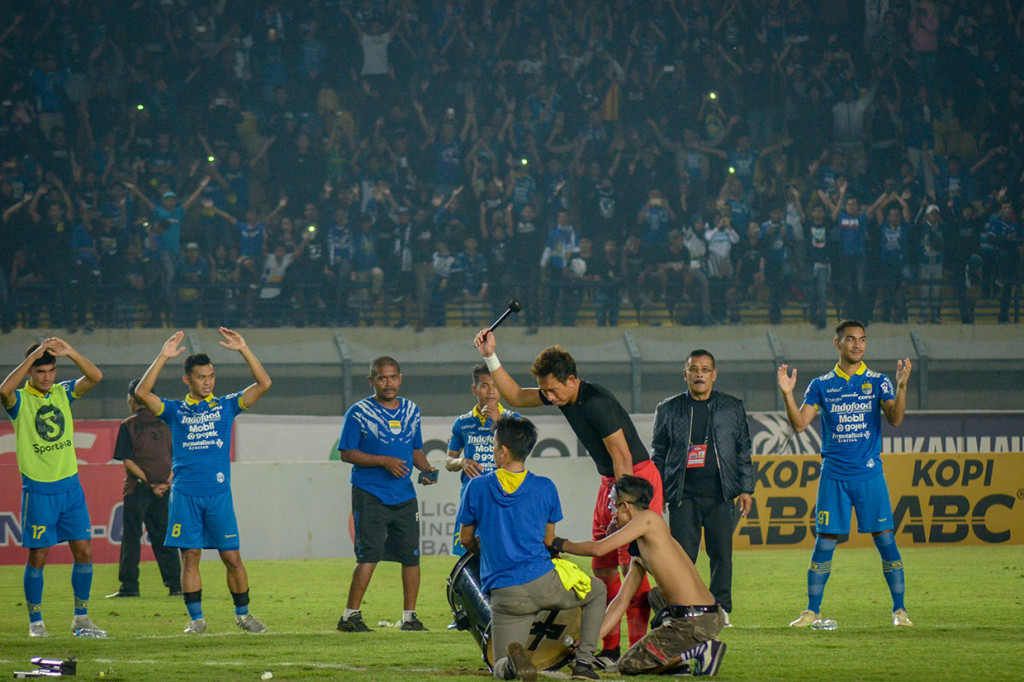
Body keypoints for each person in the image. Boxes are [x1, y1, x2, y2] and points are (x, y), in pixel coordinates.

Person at [473, 331, 664, 660]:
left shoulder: (595, 401)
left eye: (553, 390)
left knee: (632, 565)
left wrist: (623, 506)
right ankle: (610, 650)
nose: (550, 397)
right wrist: (490, 355)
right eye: (545, 391)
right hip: (612, 482)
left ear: (572, 380)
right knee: (603, 568)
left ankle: (638, 648)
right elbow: (516, 396)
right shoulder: (563, 393)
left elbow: (622, 456)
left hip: (634, 480)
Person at [134, 328, 272, 635]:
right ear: (187, 379)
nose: (208, 382)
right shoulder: (174, 410)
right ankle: (197, 620)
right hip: (185, 495)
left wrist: (244, 349)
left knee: (232, 557)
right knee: (190, 557)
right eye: (201, 377)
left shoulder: (226, 405)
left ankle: (243, 615)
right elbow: (142, 393)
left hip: (218, 495)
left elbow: (264, 384)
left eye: (211, 376)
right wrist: (163, 356)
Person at [777, 319, 913, 627]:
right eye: (851, 339)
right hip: (834, 476)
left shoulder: (878, 381)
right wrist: (787, 394)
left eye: (862, 339)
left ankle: (900, 611)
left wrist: (902, 386)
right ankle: (812, 611)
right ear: (838, 344)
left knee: (886, 540)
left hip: (869, 475)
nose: (857, 345)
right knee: (824, 542)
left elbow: (895, 419)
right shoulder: (821, 385)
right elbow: (800, 424)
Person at [457, 415, 606, 681]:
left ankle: (510, 666)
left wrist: (486, 551)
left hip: (506, 593)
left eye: (494, 445)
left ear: (503, 451)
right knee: (597, 591)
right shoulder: (545, 487)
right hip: (544, 583)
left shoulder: (476, 487)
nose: (494, 450)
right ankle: (584, 663)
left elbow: (465, 539)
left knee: (498, 665)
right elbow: (549, 540)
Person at [552, 475, 726, 676]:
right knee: (655, 596)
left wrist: (556, 543)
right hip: (704, 615)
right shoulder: (641, 551)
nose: (612, 513)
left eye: (614, 506)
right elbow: (621, 602)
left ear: (626, 506)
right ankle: (680, 658)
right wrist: (589, 641)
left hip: (695, 621)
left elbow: (598, 549)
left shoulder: (649, 519)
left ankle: (700, 650)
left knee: (627, 665)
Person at [1, 338, 107, 638]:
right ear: (30, 372)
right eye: (40, 371)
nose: (47, 377)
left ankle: (81, 619)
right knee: (38, 556)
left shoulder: (62, 392)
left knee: (84, 551)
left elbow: (96, 377)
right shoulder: (19, 400)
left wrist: (71, 352)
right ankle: (36, 622)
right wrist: (30, 356)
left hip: (71, 488)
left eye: (51, 370)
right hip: (39, 490)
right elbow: (3, 391)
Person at [336, 356, 438, 633]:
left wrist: (427, 469)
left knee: (412, 557)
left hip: (404, 495)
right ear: (372, 381)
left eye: (393, 377)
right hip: (370, 493)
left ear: (400, 378)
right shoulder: (358, 413)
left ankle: (409, 617)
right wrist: (383, 461)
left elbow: (414, 448)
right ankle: (349, 616)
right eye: (382, 378)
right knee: (368, 556)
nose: (389, 383)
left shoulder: (412, 410)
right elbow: (346, 453)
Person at [651, 349, 753, 624]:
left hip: (721, 494)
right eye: (694, 369)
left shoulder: (731, 407)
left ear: (714, 375)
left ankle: (722, 609)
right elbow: (658, 454)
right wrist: (658, 493)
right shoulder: (668, 409)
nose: (699, 374)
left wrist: (746, 488)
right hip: (683, 497)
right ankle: (684, 606)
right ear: (685, 374)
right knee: (682, 558)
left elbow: (743, 449)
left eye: (705, 370)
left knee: (722, 556)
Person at [107, 379, 182, 599]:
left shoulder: (128, 425)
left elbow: (128, 461)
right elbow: (178, 457)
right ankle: (175, 585)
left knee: (132, 537)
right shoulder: (167, 422)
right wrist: (165, 483)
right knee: (164, 537)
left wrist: (149, 483)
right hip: (164, 488)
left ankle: (129, 586)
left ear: (132, 398)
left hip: (137, 489)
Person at [445, 364, 520, 557]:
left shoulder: (513, 420)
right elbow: (449, 461)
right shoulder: (463, 423)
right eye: (485, 386)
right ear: (474, 389)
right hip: (473, 498)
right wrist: (462, 462)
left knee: (504, 554)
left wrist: (499, 424)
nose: (491, 391)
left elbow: (520, 453)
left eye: (496, 386)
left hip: (504, 497)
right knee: (468, 554)